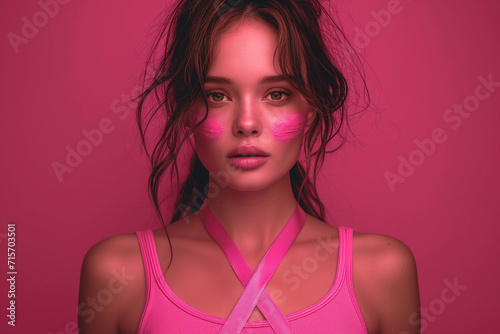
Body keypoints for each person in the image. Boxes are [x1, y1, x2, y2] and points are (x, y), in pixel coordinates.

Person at [78, 0, 420, 333]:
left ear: (312, 107)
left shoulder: (381, 272)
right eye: (217, 95)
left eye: (276, 94)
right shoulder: (119, 275)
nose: (246, 123)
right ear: (184, 110)